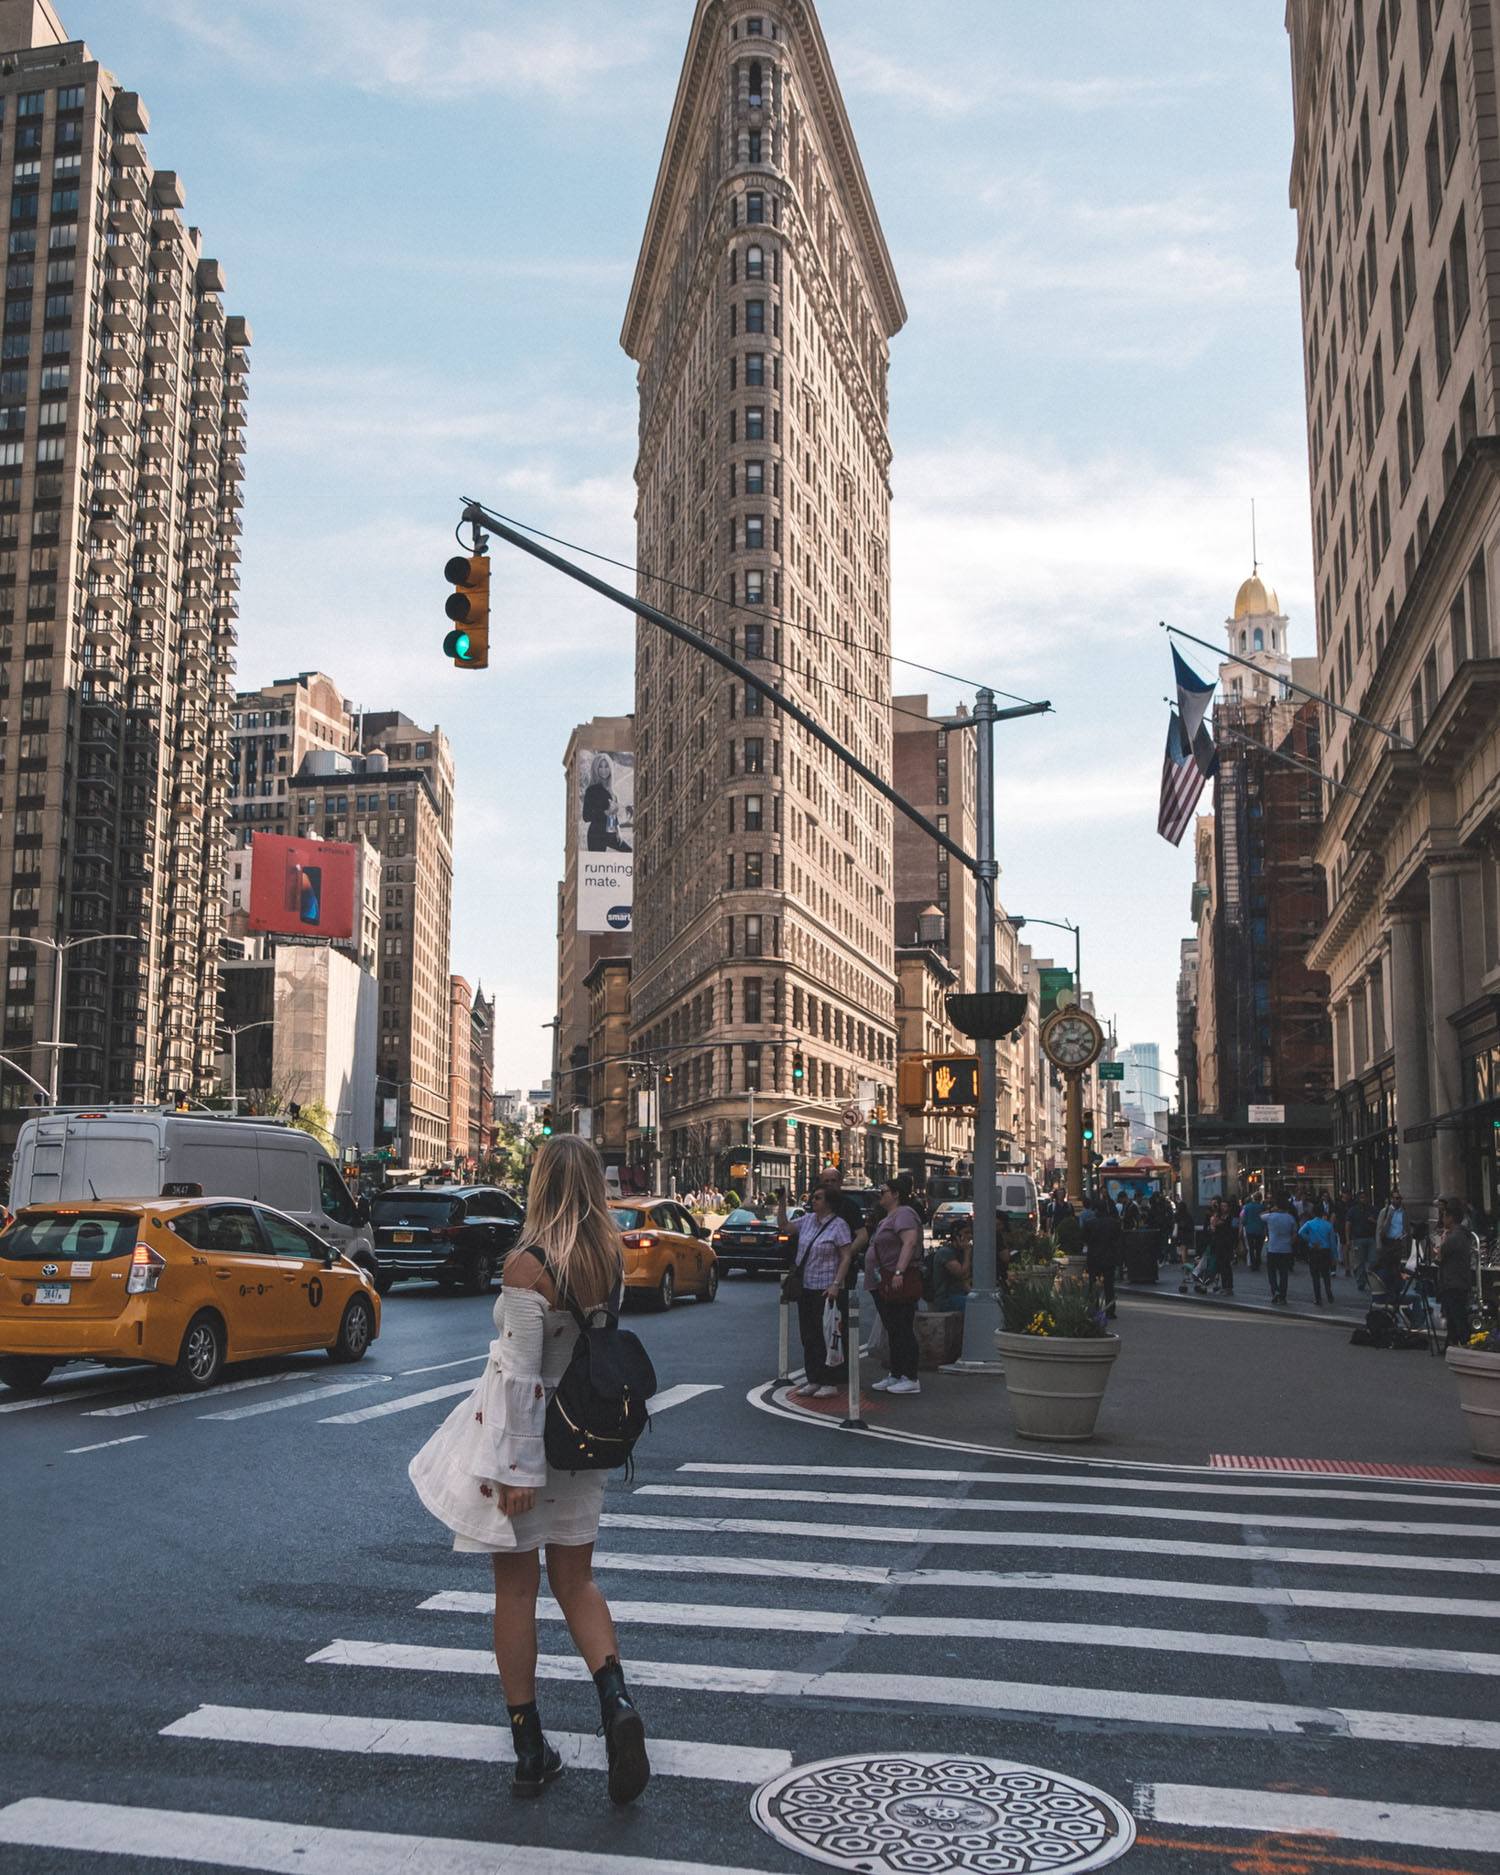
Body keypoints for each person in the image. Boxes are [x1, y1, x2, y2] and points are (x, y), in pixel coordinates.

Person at [407, 1134, 649, 1808]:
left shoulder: (528, 1266)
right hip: (583, 1442)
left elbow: (518, 1378)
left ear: (540, 1185)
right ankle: (617, 1702)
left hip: (527, 1450)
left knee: (515, 1593)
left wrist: (514, 1471)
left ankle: (529, 1747)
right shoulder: (610, 1259)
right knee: (578, 1580)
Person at [786, 1185, 854, 1398]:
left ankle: (829, 1380)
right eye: (813, 1197)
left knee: (827, 1335)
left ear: (828, 1202)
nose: (813, 1201)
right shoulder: (807, 1220)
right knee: (809, 1335)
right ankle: (813, 1378)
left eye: (818, 1198)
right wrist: (780, 1203)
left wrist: (836, 1283)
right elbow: (785, 1227)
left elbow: (846, 1256)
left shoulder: (839, 1225)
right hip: (805, 1286)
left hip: (825, 1289)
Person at [868, 1177, 924, 1394]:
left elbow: (909, 1242)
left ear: (896, 1194)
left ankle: (910, 1377)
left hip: (898, 1278)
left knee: (902, 1328)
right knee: (893, 1329)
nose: (880, 1195)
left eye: (884, 1191)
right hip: (885, 1279)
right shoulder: (890, 1216)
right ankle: (896, 1373)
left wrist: (899, 1271)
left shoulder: (904, 1214)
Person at [1436, 1196, 1476, 1351]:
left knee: (1457, 1317)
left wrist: (1442, 1244)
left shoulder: (1453, 1237)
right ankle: (1451, 1345)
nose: (1443, 1219)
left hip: (1452, 1281)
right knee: (1454, 1317)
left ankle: (1465, 1345)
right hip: (1459, 1280)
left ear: (1450, 1217)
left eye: (1444, 1216)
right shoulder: (1464, 1235)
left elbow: (1440, 1256)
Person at [1082, 1190, 1123, 1318]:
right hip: (1109, 1257)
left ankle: (1093, 1309)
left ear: (1096, 1210)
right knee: (1109, 1286)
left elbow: (1085, 1240)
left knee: (1093, 1285)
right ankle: (1110, 1311)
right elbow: (1119, 1241)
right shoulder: (1114, 1224)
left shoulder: (1090, 1224)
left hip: (1094, 1257)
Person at [581, 753, 631, 853]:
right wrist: (605, 813)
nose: (604, 770)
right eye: (600, 766)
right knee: (598, 865)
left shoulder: (613, 793)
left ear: (610, 768)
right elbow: (586, 816)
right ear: (596, 769)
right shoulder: (592, 790)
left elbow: (613, 816)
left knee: (629, 852)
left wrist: (618, 830)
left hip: (611, 833)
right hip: (596, 834)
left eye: (606, 766)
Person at [1373, 1187, 1408, 1301]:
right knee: (1388, 1268)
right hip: (1387, 1244)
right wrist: (1379, 1246)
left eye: (1399, 1198)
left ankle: (1395, 1292)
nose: (1397, 1200)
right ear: (1391, 1199)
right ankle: (1388, 1292)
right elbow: (1379, 1230)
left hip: (1398, 1244)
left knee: (1397, 1269)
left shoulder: (1403, 1212)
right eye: (1395, 1198)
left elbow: (1406, 1228)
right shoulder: (1386, 1211)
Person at [1298, 1206, 1337, 1305]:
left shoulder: (1309, 1223)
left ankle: (1318, 1297)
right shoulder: (1328, 1225)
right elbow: (1333, 1242)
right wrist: (1334, 1256)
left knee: (1315, 1275)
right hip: (1325, 1250)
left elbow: (1300, 1232)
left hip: (1314, 1250)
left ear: (1313, 1213)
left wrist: (1310, 1240)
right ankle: (1329, 1294)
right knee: (1326, 1274)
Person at [1263, 1192, 1298, 1304]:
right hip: (1286, 1248)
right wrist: (1291, 1242)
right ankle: (1283, 1296)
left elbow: (1260, 1215)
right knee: (1284, 1273)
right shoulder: (1290, 1218)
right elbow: (1295, 1232)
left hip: (1273, 1248)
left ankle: (1275, 1290)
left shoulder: (1270, 1217)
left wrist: (1271, 1210)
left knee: (1271, 1272)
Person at [933, 1216, 972, 1313]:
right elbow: (962, 1274)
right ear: (957, 1235)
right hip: (947, 1298)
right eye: (966, 1233)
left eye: (970, 1233)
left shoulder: (961, 1252)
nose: (970, 1236)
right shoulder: (946, 1253)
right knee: (970, 1305)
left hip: (961, 1293)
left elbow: (965, 1281)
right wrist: (967, 1252)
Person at [1344, 1191, 1376, 1291]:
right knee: (1359, 1262)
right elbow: (1348, 1225)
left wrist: (1373, 1221)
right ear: (1358, 1199)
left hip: (1371, 1238)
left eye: (1365, 1197)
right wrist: (1348, 1239)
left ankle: (1372, 1281)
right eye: (1361, 1198)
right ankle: (1360, 1282)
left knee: (1373, 1261)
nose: (1363, 1199)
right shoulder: (1353, 1210)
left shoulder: (1372, 1209)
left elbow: (1380, 1223)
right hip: (1358, 1238)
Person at [1209, 1199, 1237, 1295]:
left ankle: (1228, 1287)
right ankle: (1225, 1286)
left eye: (1225, 1206)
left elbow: (1217, 1224)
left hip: (1226, 1244)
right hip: (1218, 1243)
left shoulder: (1229, 1218)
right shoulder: (1220, 1216)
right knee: (1221, 1266)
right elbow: (1213, 1225)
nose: (1222, 1208)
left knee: (1226, 1266)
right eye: (1222, 1206)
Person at [1239, 1193, 1266, 1272]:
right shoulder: (1262, 1207)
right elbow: (1264, 1218)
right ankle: (1258, 1262)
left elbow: (1244, 1219)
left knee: (1251, 1247)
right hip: (1260, 1229)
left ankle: (1253, 1264)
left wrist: (1244, 1224)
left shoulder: (1247, 1207)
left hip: (1249, 1229)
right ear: (1260, 1198)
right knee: (1258, 1247)